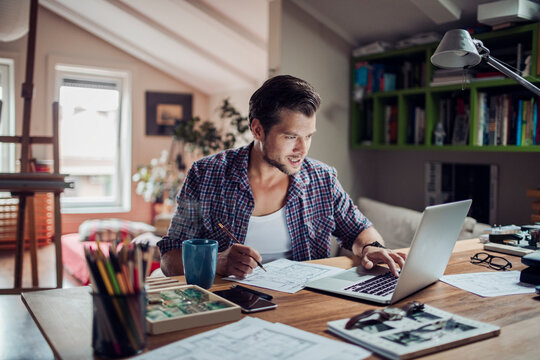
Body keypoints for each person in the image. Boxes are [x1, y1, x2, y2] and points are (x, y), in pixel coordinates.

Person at [158, 75, 406, 278]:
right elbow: (169, 260)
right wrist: (218, 262)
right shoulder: (206, 175)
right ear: (257, 129)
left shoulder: (322, 178)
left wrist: (372, 248)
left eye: (308, 136)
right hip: (228, 304)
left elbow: (360, 229)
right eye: (290, 136)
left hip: (303, 303)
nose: (303, 149)